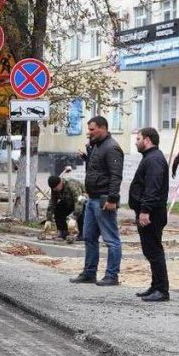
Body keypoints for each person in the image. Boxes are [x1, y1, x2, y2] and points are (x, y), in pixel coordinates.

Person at [70, 116, 124, 286]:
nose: (89, 132)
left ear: (103, 128)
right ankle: (89, 273)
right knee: (89, 237)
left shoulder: (112, 148)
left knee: (111, 240)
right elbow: (96, 170)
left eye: (92, 129)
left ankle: (112, 275)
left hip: (104, 200)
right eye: (89, 129)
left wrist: (112, 198)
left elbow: (116, 176)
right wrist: (87, 157)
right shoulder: (98, 146)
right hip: (92, 199)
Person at [129, 127, 171, 302]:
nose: (136, 142)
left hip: (152, 213)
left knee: (154, 251)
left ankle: (162, 290)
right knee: (150, 250)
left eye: (138, 139)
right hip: (149, 211)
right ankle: (155, 286)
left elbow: (152, 188)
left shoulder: (154, 160)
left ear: (147, 140)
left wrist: (145, 211)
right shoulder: (150, 157)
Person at [44, 175, 85, 242]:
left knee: (81, 211)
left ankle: (82, 234)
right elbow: (52, 203)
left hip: (81, 200)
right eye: (53, 189)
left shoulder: (71, 185)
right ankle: (63, 232)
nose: (54, 190)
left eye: (55, 188)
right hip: (68, 201)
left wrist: (74, 218)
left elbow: (79, 201)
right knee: (58, 209)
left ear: (60, 183)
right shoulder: (54, 188)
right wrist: (48, 219)